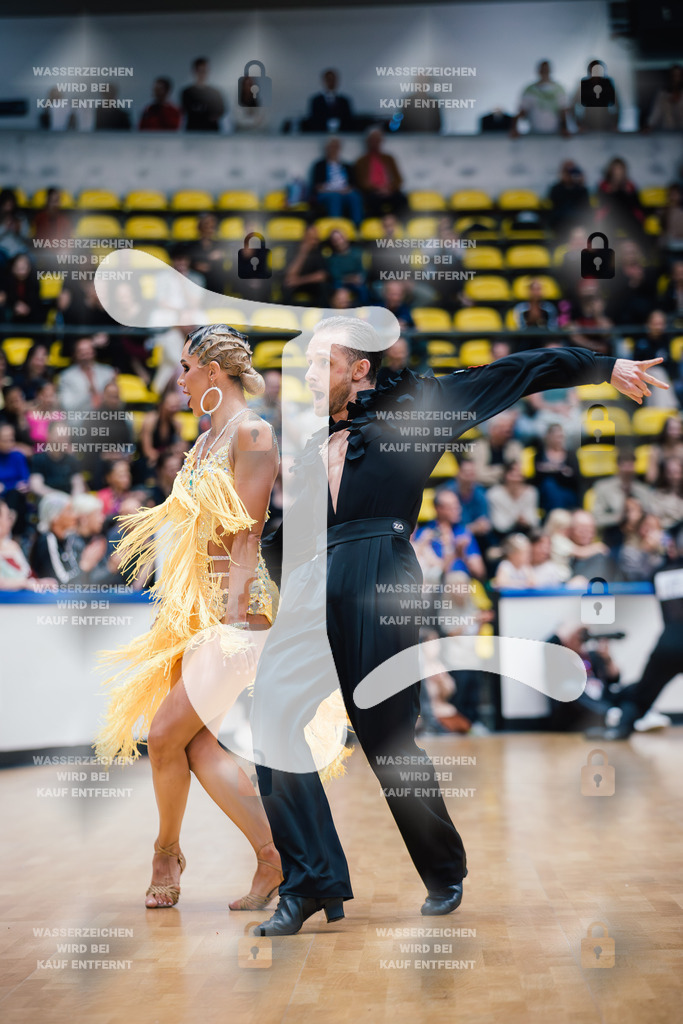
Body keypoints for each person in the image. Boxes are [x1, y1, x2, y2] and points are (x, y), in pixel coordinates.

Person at [250, 315, 665, 937]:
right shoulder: (309, 440)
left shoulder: (418, 407)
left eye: (321, 364)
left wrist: (603, 367)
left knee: (386, 740)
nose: (306, 376)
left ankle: (444, 869)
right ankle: (309, 882)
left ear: (360, 369)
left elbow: (515, 373)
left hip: (381, 576)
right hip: (316, 583)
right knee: (273, 721)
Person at [95, 325, 286, 912]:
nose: (177, 379)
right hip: (197, 607)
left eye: (185, 368)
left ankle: (169, 852)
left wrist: (228, 624)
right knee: (192, 742)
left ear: (213, 370)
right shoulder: (205, 439)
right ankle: (269, 859)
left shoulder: (252, 432)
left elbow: (248, 535)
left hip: (238, 607)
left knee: (162, 735)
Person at [353, 128, 407, 218]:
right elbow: (361, 182)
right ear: (367, 141)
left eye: (378, 139)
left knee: (402, 200)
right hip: (372, 192)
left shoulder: (389, 158)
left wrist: (389, 188)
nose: (375, 142)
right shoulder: (361, 161)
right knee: (371, 201)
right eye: (373, 140)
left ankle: (396, 224)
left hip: (390, 191)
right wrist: (377, 188)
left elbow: (399, 179)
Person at [310, 138, 364, 226]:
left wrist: (347, 189)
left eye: (336, 147)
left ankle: (357, 227)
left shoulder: (347, 166)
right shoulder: (319, 165)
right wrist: (335, 190)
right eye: (331, 146)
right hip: (327, 193)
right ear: (326, 148)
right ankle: (336, 228)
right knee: (335, 198)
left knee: (355, 196)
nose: (334, 149)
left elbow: (353, 185)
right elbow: (318, 187)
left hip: (345, 192)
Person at [510, 60, 569, 136]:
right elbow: (522, 112)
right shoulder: (530, 90)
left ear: (550, 71)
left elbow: (563, 111)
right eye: (543, 70)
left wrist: (565, 129)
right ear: (538, 71)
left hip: (555, 135)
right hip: (534, 135)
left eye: (546, 70)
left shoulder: (559, 89)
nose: (544, 72)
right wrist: (514, 128)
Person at [57, 336, 116, 411]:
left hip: (106, 415)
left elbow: (120, 404)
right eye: (81, 351)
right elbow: (67, 406)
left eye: (88, 350)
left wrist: (111, 396)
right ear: (75, 354)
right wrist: (87, 395)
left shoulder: (108, 372)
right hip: (81, 417)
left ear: (94, 352)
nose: (85, 354)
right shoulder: (66, 377)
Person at [595, 157, 645, 243]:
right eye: (616, 169)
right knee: (605, 230)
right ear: (611, 170)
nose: (618, 172)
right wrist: (613, 189)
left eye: (620, 169)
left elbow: (636, 204)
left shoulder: (630, 185)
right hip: (610, 216)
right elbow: (602, 203)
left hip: (628, 216)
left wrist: (624, 191)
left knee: (638, 230)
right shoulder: (604, 185)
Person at [548, 161, 591, 239]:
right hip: (561, 224)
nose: (569, 175)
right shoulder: (556, 189)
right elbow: (554, 207)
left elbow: (586, 208)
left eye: (572, 171)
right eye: (566, 171)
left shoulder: (581, 189)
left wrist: (580, 184)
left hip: (578, 224)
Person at [181, 58, 225, 132]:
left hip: (212, 132)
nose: (203, 74)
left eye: (205, 71)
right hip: (193, 132)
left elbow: (220, 111)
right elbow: (187, 111)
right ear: (195, 71)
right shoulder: (186, 93)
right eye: (200, 71)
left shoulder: (215, 93)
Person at [0, 253, 42, 325]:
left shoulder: (34, 281)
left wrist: (28, 308)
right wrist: (14, 306)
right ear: (12, 268)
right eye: (18, 266)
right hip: (11, 314)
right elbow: (5, 298)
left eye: (23, 266)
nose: (21, 269)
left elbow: (36, 300)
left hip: (31, 314)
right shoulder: (6, 281)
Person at [646, 64, 683, 132]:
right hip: (667, 131)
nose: (675, 79)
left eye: (678, 76)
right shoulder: (662, 95)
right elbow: (656, 112)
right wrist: (649, 125)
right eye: (673, 76)